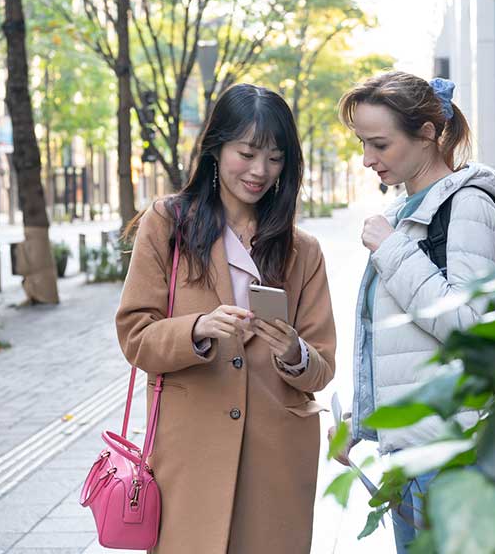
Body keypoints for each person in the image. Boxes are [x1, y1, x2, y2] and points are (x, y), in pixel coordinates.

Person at [116, 84, 336, 554]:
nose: (260, 171)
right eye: (247, 153)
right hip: (190, 450)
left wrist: (294, 352)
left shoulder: (303, 251)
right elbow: (135, 336)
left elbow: (322, 366)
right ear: (216, 148)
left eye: (275, 158)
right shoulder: (168, 224)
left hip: (277, 455)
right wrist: (196, 329)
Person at [330, 71, 495, 553]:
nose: (368, 159)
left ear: (429, 135)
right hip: (415, 456)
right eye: (362, 143)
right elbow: (407, 349)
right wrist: (361, 421)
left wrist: (393, 252)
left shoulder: (469, 205)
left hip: (458, 457)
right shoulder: (410, 212)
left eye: (380, 144)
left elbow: (475, 327)